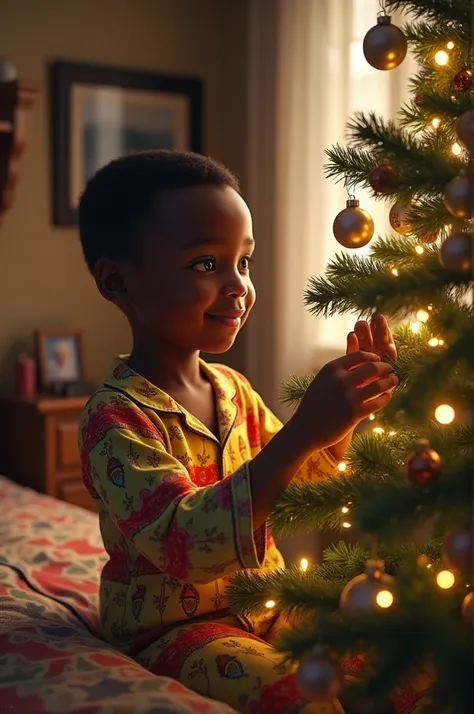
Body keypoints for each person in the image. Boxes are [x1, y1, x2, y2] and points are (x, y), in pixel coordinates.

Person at [78, 150, 398, 714]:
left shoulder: (232, 389)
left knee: (396, 659)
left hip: (268, 604)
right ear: (116, 281)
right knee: (305, 695)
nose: (237, 286)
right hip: (177, 631)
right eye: (206, 265)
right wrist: (302, 430)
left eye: (243, 263)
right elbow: (182, 543)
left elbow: (299, 490)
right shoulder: (114, 418)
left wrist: (344, 421)